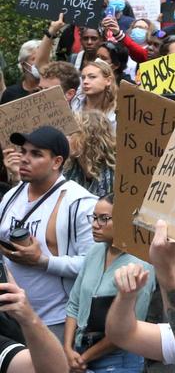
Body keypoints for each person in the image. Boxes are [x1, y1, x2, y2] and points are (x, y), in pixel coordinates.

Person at [0, 126, 98, 338]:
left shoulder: (81, 203)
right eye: (23, 151)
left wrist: (42, 261)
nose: (25, 158)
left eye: (36, 154)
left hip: (56, 322)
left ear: (57, 162)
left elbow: (93, 265)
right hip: (9, 318)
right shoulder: (11, 196)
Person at [64, 195, 151, 373]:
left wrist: (82, 359)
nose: (95, 225)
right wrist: (67, 349)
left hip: (119, 359)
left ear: (126, 220)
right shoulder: (94, 251)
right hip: (80, 351)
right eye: (94, 217)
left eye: (104, 219)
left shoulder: (141, 264)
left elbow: (130, 329)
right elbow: (74, 305)